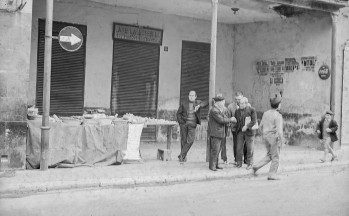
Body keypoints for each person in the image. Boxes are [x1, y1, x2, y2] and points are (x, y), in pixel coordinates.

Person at [252, 94, 284, 180]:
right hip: (274, 138)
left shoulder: (266, 113)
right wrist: (282, 140)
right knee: (275, 157)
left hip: (266, 137)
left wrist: (263, 135)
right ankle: (272, 174)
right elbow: (280, 131)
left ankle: (256, 166)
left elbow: (260, 126)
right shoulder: (278, 116)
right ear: (278, 105)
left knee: (270, 155)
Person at [177, 90, 208, 162]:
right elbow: (178, 113)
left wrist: (199, 105)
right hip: (184, 124)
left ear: (195, 97)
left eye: (192, 95)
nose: (191, 97)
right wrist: (181, 122)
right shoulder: (184, 103)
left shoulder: (198, 102)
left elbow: (207, 102)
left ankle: (181, 155)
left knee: (191, 140)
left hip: (192, 125)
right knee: (183, 141)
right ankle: (183, 158)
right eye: (190, 95)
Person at [208, 96, 236, 171]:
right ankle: (212, 166)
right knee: (215, 150)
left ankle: (216, 164)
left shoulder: (218, 109)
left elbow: (223, 117)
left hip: (219, 133)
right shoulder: (214, 110)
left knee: (217, 150)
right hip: (216, 133)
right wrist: (230, 119)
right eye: (222, 102)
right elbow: (221, 120)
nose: (223, 103)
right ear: (217, 102)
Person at [234, 97, 257, 169]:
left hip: (249, 132)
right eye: (239, 103)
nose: (239, 104)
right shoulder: (237, 111)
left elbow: (254, 121)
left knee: (249, 148)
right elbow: (236, 120)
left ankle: (249, 163)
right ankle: (239, 163)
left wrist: (246, 126)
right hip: (240, 131)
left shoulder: (251, 110)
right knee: (239, 148)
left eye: (241, 103)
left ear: (246, 103)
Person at [227, 91, 248, 165]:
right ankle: (237, 159)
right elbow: (228, 117)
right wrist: (231, 121)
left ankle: (246, 159)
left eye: (239, 99)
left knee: (246, 144)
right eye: (236, 99)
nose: (238, 101)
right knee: (236, 144)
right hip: (235, 129)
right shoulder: (230, 106)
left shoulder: (248, 105)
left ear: (243, 97)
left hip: (245, 128)